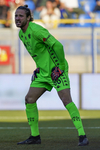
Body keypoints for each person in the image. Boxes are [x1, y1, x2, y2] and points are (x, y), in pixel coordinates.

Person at [15, 5, 89, 146]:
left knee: (66, 100)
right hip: (43, 72)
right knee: (29, 99)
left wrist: (60, 68)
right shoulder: (21, 34)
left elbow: (58, 46)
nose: (17, 19)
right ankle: (35, 137)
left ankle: (82, 136)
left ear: (28, 17)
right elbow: (39, 52)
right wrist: (38, 67)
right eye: (16, 16)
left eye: (20, 16)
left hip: (56, 70)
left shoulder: (37, 30)